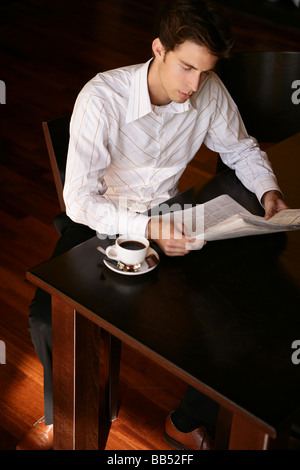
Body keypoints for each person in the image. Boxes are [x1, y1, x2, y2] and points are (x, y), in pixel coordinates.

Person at [17, 0, 288, 450]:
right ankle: (60, 414)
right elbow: (80, 201)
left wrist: (268, 191)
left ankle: (185, 420)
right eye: (186, 68)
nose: (194, 85)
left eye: (205, 72)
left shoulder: (208, 89)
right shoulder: (102, 97)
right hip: (97, 222)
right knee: (46, 319)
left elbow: (240, 149)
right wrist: (148, 229)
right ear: (159, 49)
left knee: (243, 309)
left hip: (169, 213)